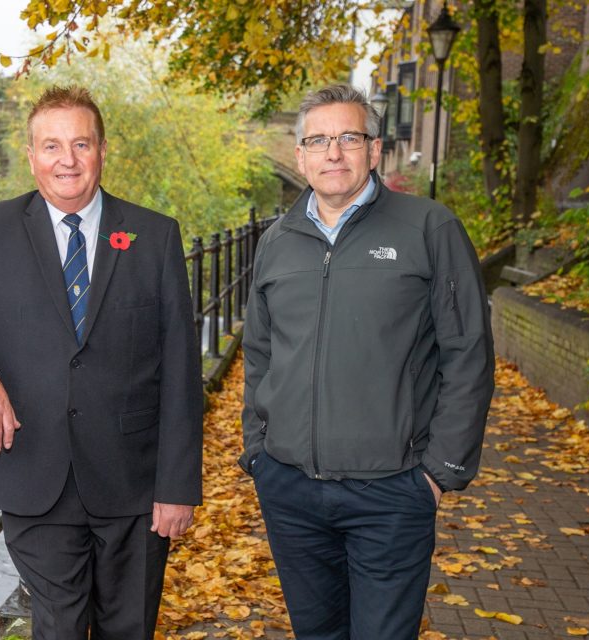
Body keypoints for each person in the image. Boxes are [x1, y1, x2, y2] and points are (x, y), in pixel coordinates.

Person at [0, 85, 203, 639]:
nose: (66, 160)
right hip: (34, 472)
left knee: (129, 630)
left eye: (80, 144)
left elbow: (181, 372)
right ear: (31, 156)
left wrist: (177, 485)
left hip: (135, 484)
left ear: (101, 150)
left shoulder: (154, 235)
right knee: (59, 628)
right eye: (51, 146)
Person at [239, 84, 495, 638]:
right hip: (290, 490)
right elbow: (258, 354)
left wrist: (438, 472)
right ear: (300, 154)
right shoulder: (277, 241)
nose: (334, 153)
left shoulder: (429, 228)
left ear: (374, 150)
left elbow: (467, 351)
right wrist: (260, 453)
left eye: (348, 137)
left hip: (392, 490)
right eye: (319, 140)